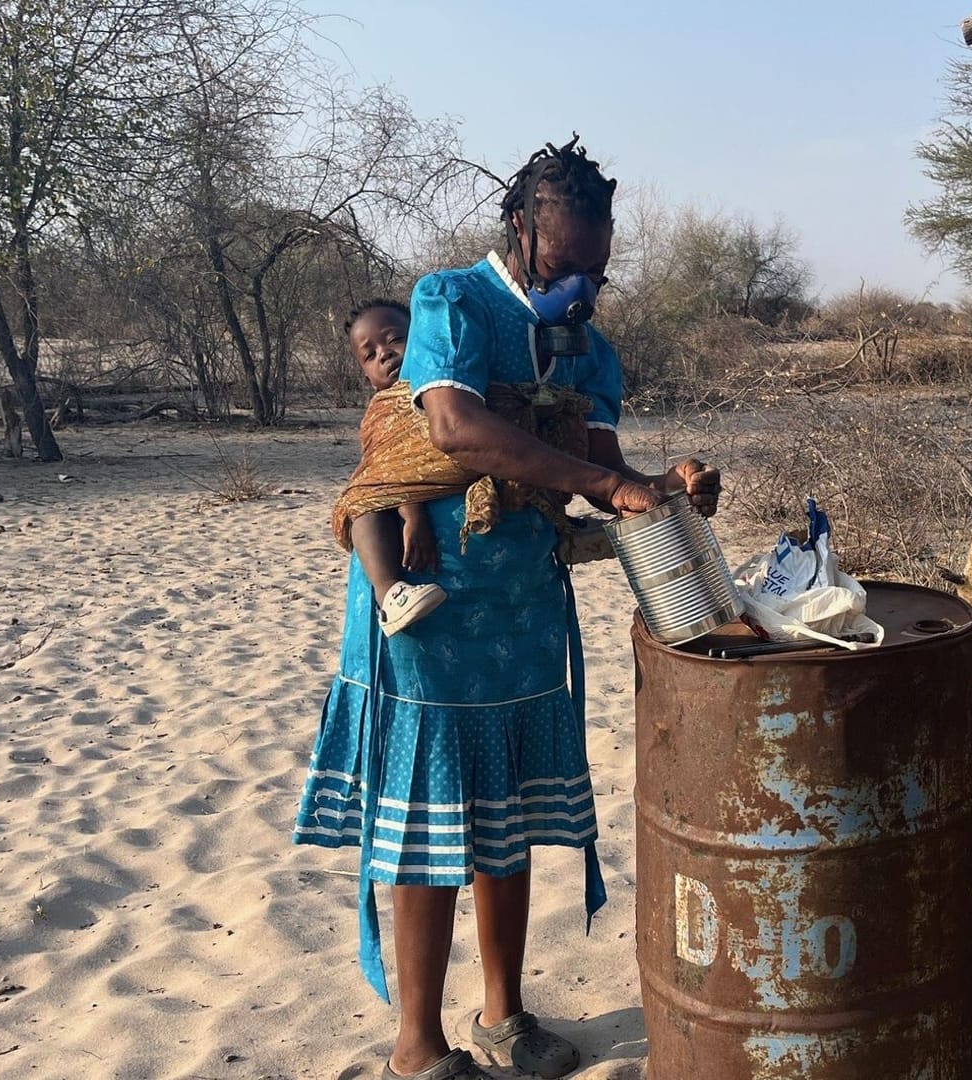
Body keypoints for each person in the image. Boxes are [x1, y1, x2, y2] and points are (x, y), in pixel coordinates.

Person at [293, 137, 720, 1080]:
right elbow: (453, 425)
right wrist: (608, 489)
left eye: (598, 274)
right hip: (432, 608)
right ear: (523, 230)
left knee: (509, 814)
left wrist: (664, 482)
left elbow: (604, 468)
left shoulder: (589, 349)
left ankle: (505, 1016)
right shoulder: (454, 303)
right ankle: (416, 1044)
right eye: (567, 269)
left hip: (524, 605)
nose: (584, 292)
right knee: (425, 820)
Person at [333, 298, 448, 637]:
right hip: (390, 502)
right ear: (367, 377)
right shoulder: (381, 411)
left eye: (394, 338)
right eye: (370, 355)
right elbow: (393, 470)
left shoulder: (446, 390)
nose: (384, 353)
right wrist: (413, 515)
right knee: (361, 505)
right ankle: (390, 594)